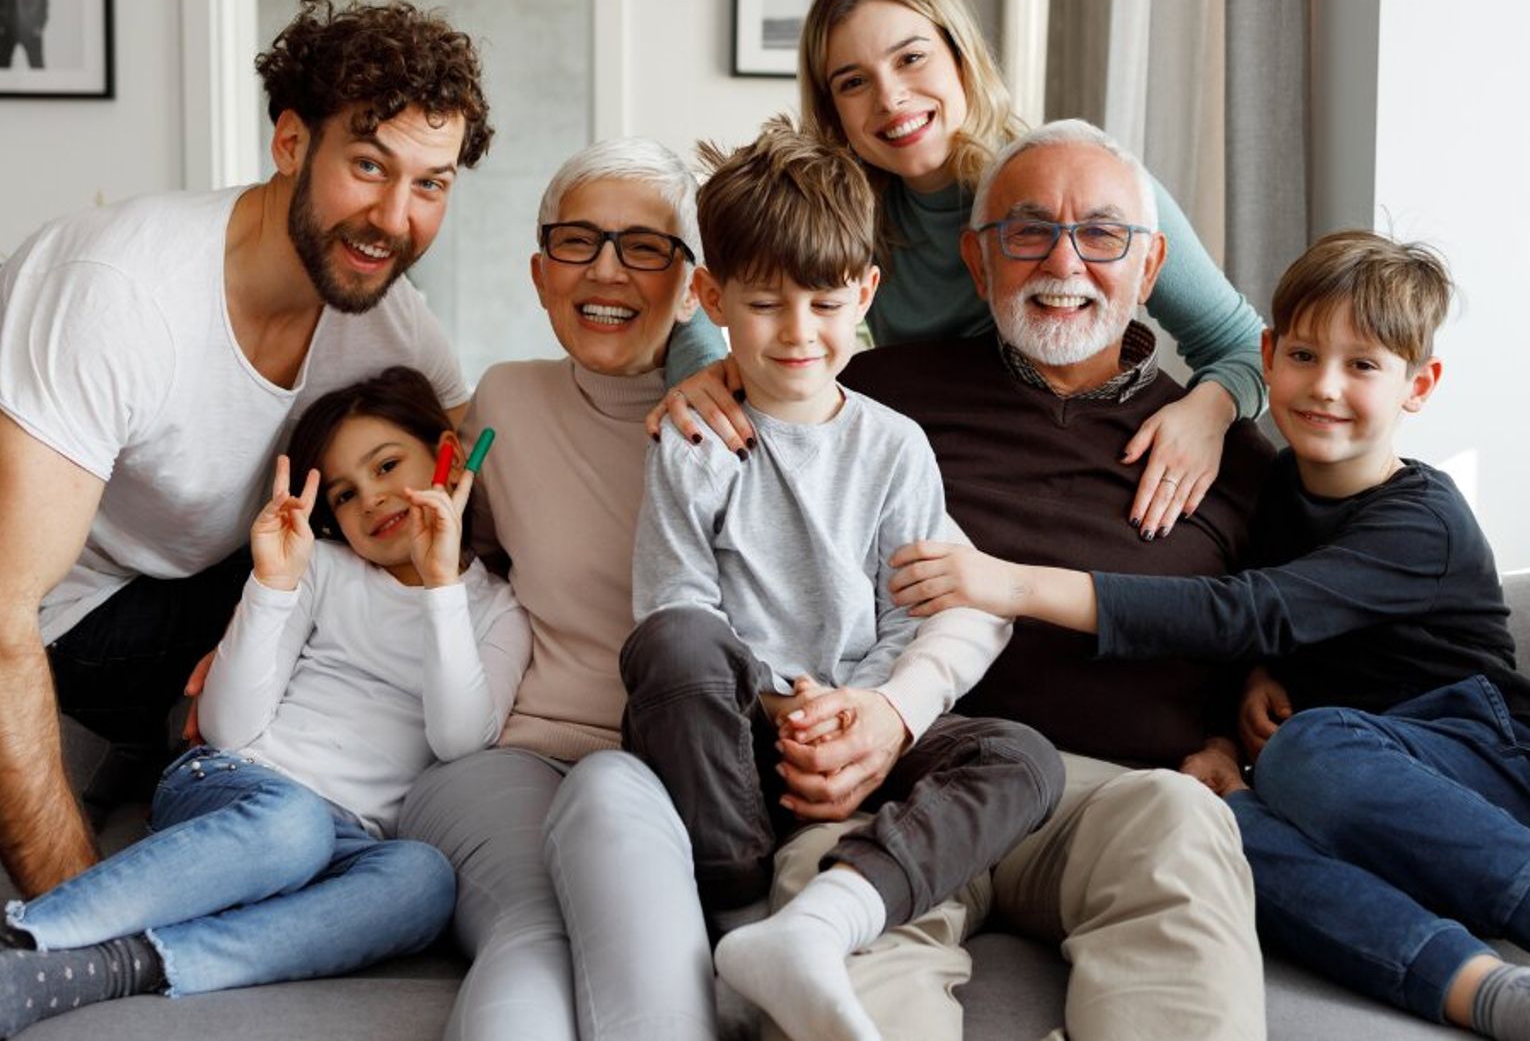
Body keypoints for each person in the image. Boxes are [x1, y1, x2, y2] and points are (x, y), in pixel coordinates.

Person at [893, 230, 1530, 1040]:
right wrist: (1237, 711)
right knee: (1213, 824)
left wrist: (1015, 583)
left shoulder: (1423, 522)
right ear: (1266, 355)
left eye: (1363, 365)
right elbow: (1262, 631)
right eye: (1303, 355)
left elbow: (1247, 608)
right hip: (1336, 782)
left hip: (1475, 751)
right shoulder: (1266, 480)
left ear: (1420, 384)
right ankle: (1477, 986)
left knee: (1311, 747)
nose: (1325, 386)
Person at [772, 119, 1275, 1041]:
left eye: (1103, 234)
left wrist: (1235, 711)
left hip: (1113, 797)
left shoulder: (1230, 451)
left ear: (1151, 265)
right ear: (978, 259)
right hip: (907, 774)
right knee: (830, 933)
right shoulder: (872, 396)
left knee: (1183, 822)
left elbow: (1271, 616)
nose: (1067, 260)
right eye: (1029, 229)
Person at [0, 0, 491, 898]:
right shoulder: (123, 294)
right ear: (292, 143)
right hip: (66, 613)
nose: (394, 216)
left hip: (201, 585)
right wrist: (72, 905)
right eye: (370, 164)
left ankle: (217, 777)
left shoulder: (385, 312)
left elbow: (489, 461)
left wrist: (697, 373)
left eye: (432, 183)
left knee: (374, 562)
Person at [620, 116, 1063, 1041]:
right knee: (674, 644)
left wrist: (858, 711)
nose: (797, 333)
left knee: (1024, 755)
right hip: (736, 740)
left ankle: (827, 920)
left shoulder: (893, 445)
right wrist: (784, 707)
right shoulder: (694, 439)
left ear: (864, 292)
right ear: (711, 296)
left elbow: (917, 612)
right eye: (765, 303)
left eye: (824, 303)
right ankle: (740, 920)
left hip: (863, 735)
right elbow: (675, 602)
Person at [658, 0, 1265, 544]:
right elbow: (708, 279)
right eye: (854, 82)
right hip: (946, 470)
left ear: (961, 56)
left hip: (1078, 451)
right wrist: (705, 369)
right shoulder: (851, 216)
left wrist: (1207, 411)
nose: (890, 98)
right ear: (833, 110)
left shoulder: (1076, 185)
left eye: (912, 58)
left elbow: (1245, 343)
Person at [0, 367, 529, 1038]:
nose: (371, 498)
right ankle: (30, 934)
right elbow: (225, 727)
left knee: (424, 879)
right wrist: (273, 584)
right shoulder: (324, 571)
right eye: (344, 492)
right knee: (292, 824)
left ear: (448, 453)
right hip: (237, 787)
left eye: (387, 464)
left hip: (347, 838)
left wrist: (439, 586)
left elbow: (459, 739)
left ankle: (125, 965)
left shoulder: (496, 611)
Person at [396, 139, 719, 1041]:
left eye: (645, 246)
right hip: (515, 757)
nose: (605, 269)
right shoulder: (501, 402)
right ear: (540, 274)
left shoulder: (744, 424)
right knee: (533, 930)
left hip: (679, 776)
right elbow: (429, 543)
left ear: (696, 287)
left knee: (619, 818)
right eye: (578, 242)